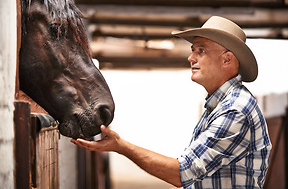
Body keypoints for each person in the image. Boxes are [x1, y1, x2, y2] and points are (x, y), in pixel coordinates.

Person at [72, 16, 272, 189]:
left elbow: (182, 172)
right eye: (193, 50)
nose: (190, 57)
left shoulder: (235, 110)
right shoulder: (221, 105)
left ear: (227, 60)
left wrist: (121, 146)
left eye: (201, 51)